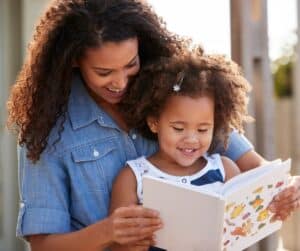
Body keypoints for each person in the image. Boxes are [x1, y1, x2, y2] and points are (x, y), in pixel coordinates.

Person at [6, 0, 299, 250]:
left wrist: (282, 191)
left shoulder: (173, 91)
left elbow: (253, 167)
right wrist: (108, 232)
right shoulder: (48, 129)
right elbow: (43, 244)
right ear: (72, 61)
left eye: (130, 64)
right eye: (104, 72)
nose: (121, 83)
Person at [109, 52, 252, 250]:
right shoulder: (133, 177)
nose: (191, 139)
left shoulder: (226, 170)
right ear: (154, 123)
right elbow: (117, 246)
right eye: (178, 128)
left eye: (203, 129)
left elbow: (243, 231)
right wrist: (136, 240)